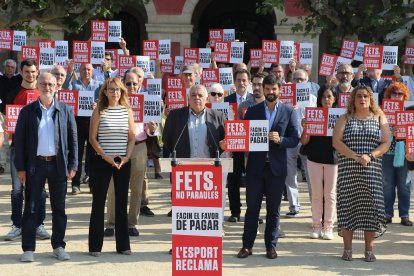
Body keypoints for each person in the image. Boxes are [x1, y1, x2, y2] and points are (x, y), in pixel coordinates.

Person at [14, 72, 78, 262]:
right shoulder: (27, 112)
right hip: (35, 165)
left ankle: (58, 246)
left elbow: (73, 140)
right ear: (37, 86)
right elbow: (19, 141)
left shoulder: (65, 110)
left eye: (50, 84)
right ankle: (28, 249)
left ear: (57, 86)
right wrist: (21, 168)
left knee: (59, 208)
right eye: (43, 84)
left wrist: (73, 165)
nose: (47, 87)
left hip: (59, 166)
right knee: (31, 208)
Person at [237, 74, 299, 259]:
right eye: (268, 89)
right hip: (256, 167)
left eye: (274, 89)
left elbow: (295, 139)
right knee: (252, 209)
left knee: (274, 210)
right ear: (263, 89)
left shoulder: (289, 112)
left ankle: (270, 246)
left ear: (280, 90)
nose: (271, 92)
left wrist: (281, 140)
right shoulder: (253, 111)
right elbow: (244, 137)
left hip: (277, 169)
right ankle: (247, 246)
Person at [333, 85, 390, 262]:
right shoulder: (345, 118)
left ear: (371, 99)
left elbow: (386, 143)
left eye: (366, 96)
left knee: (371, 210)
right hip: (349, 172)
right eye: (359, 96)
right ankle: (348, 250)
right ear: (353, 99)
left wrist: (370, 156)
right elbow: (336, 142)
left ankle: (369, 250)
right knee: (347, 209)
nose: (362, 99)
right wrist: (356, 157)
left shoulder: (380, 117)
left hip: (371, 171)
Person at [104, 72, 157, 238]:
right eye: (128, 83)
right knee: (113, 187)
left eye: (134, 83)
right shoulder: (114, 101)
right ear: (123, 85)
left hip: (139, 146)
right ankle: (111, 223)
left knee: (136, 187)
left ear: (139, 84)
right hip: (117, 146)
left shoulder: (147, 102)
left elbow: (151, 132)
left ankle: (132, 223)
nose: (132, 87)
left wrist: (152, 128)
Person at [88, 78, 135, 256]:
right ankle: (95, 246)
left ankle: (123, 246)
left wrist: (127, 157)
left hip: (122, 161)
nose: (115, 92)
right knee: (98, 202)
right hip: (103, 160)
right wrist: (104, 155)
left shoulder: (127, 111)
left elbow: (132, 137)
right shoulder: (99, 110)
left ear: (122, 92)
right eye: (111, 89)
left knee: (122, 202)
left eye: (118, 90)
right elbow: (92, 138)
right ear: (105, 92)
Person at [4, 60, 50, 241]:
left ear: (37, 72)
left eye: (33, 72)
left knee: (40, 189)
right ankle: (17, 225)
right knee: (17, 189)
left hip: (41, 148)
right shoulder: (13, 94)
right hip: (18, 147)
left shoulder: (44, 94)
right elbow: (8, 118)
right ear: (21, 73)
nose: (30, 75)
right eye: (27, 71)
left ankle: (39, 224)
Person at [301, 86, 339, 240]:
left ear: (335, 99)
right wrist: (306, 128)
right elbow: (303, 141)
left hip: (333, 160)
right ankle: (316, 226)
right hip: (314, 158)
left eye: (329, 96)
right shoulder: (312, 115)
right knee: (317, 194)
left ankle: (328, 227)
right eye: (323, 97)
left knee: (330, 195)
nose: (326, 100)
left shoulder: (340, 117)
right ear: (319, 99)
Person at [63, 62, 103, 194]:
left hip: (94, 122)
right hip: (77, 123)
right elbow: (65, 90)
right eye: (84, 69)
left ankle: (92, 183)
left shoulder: (98, 85)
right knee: (77, 154)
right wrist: (69, 72)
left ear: (93, 71)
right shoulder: (74, 84)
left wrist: (97, 104)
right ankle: (75, 184)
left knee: (93, 155)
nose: (86, 71)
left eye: (89, 69)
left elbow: (107, 94)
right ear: (79, 71)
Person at [381, 83, 412, 226]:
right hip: (387, 151)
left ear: (404, 96)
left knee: (404, 185)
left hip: (405, 153)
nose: (397, 96)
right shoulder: (382, 112)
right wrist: (389, 130)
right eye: (394, 93)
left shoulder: (410, 112)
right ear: (389, 95)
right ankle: (387, 213)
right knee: (387, 184)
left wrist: (403, 131)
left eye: (400, 94)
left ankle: (404, 215)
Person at [224, 69, 253, 222]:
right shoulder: (226, 100)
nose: (241, 83)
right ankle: (235, 212)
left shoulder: (256, 101)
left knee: (252, 181)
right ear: (234, 82)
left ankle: (252, 211)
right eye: (239, 80)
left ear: (248, 82)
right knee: (233, 180)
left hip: (251, 147)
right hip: (234, 147)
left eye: (244, 80)